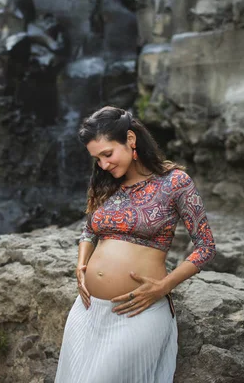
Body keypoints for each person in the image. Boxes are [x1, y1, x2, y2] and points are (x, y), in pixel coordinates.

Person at [54, 106, 216, 383]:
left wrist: (163, 286)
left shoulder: (174, 182)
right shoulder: (106, 183)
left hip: (138, 311)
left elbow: (205, 246)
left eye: (107, 154)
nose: (103, 165)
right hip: (88, 310)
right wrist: (82, 264)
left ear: (130, 139)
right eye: (97, 159)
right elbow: (89, 230)